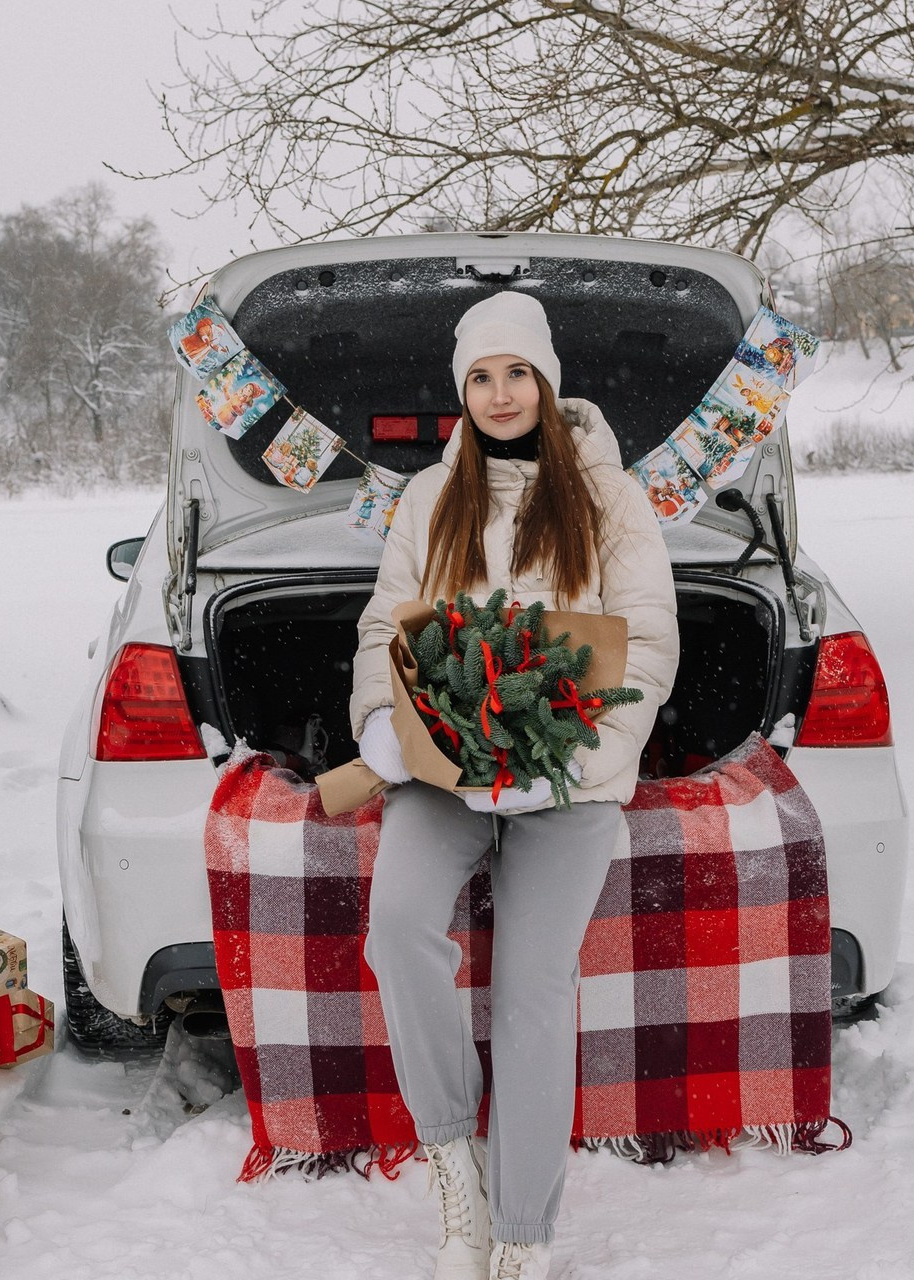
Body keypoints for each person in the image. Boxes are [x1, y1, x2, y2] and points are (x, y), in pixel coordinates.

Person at [350, 293, 679, 1280]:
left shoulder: (610, 499)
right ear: (462, 391)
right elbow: (382, 627)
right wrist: (383, 723)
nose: (499, 394)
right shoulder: (425, 497)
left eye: (516, 372)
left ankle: (521, 1230)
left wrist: (568, 766)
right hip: (444, 771)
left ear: (546, 381)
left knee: (530, 986)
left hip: (566, 781)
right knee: (397, 926)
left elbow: (648, 641)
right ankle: (458, 1161)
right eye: (480, 377)